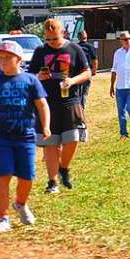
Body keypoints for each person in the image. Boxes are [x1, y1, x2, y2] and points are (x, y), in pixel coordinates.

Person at [0, 40, 50, 233]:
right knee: (2, 176)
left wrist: (45, 126)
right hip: (0, 137)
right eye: (0, 58)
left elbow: (42, 105)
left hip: (25, 136)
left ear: (18, 59)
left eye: (7, 58)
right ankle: (3, 218)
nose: (2, 61)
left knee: (27, 176)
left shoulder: (30, 80)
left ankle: (20, 204)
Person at [27, 18, 92, 193]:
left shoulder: (74, 49)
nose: (51, 43)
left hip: (70, 101)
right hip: (46, 104)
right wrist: (37, 77)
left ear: (63, 33)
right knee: (51, 144)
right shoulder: (40, 51)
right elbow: (30, 75)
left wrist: (72, 80)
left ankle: (64, 168)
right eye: (48, 39)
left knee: (73, 139)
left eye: (54, 39)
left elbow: (87, 72)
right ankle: (52, 181)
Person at [76, 29, 98, 108]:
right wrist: (94, 71)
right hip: (87, 72)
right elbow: (94, 60)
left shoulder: (75, 47)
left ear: (78, 37)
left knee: (78, 91)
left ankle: (78, 107)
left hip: (77, 73)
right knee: (85, 92)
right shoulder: (90, 47)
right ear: (86, 36)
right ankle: (82, 107)